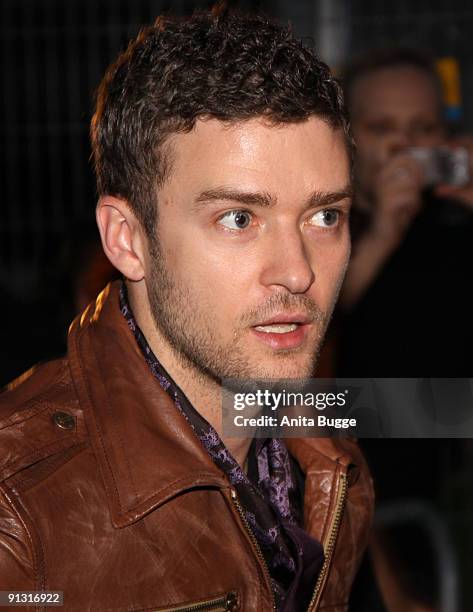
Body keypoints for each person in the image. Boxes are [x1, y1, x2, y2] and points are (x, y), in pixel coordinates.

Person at [0, 8, 374, 611]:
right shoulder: (19, 515)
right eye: (238, 218)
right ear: (127, 239)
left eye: (324, 215)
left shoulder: (329, 466)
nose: (299, 270)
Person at [336, 48, 473, 377]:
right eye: (382, 128)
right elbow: (320, 324)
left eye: (423, 128)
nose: (404, 145)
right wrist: (385, 233)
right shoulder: (322, 222)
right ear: (345, 137)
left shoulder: (458, 220)